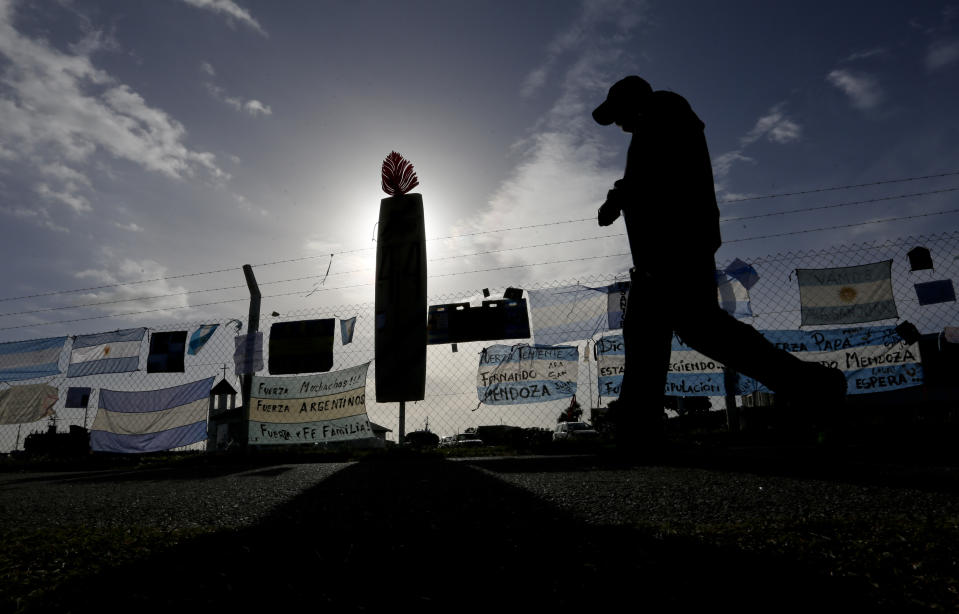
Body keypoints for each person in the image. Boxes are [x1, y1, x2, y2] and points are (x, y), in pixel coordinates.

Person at [592, 76, 846, 445]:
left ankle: (814, 385)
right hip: (666, 251)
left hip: (676, 247)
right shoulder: (654, 124)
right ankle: (639, 430)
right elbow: (646, 174)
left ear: (635, 103)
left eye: (618, 115)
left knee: (689, 330)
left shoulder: (664, 113)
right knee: (665, 332)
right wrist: (620, 195)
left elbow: (657, 174)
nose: (618, 124)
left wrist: (620, 195)